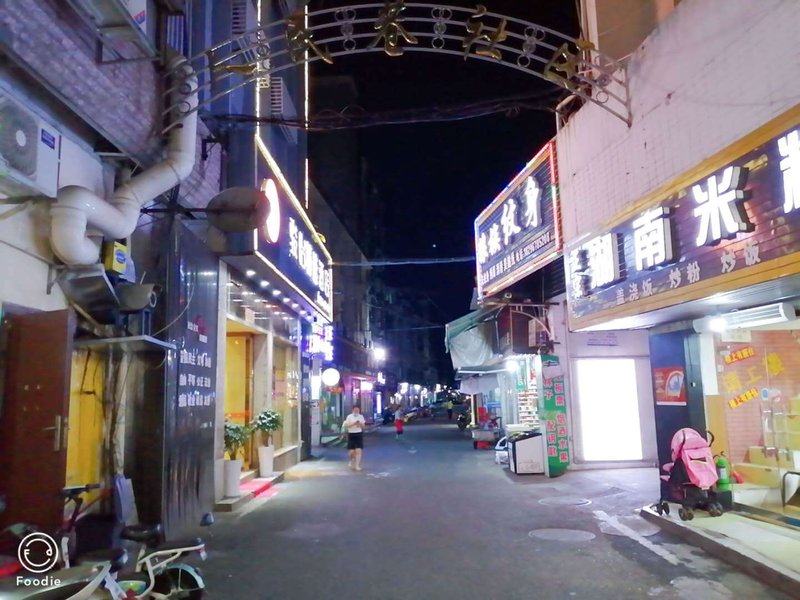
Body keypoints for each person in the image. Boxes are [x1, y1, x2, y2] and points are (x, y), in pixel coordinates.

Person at [341, 405, 366, 471]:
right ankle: (351, 460)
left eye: (358, 410)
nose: (356, 411)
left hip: (359, 434)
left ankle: (357, 465)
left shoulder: (361, 416)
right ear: (352, 410)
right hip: (351, 434)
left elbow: (363, 426)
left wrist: (360, 424)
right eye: (355, 410)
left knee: (358, 450)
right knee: (352, 451)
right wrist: (354, 423)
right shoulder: (349, 416)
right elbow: (346, 426)